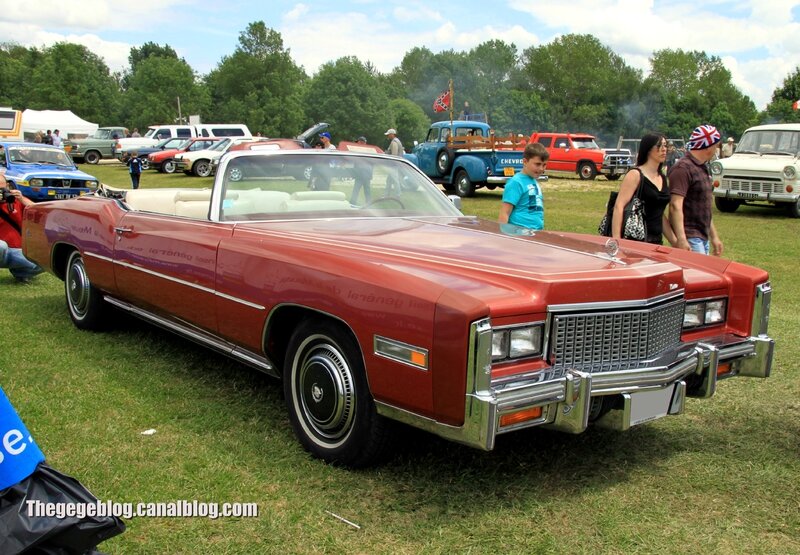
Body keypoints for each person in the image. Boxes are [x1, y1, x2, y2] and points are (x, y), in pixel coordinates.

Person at [611, 133, 677, 245]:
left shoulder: (662, 177)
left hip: (656, 242)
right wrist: (617, 240)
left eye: (665, 145)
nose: (664, 149)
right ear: (648, 149)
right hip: (635, 241)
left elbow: (658, 213)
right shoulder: (635, 174)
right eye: (659, 146)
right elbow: (619, 206)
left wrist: (675, 241)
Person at [668, 124, 723, 256]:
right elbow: (675, 205)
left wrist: (714, 236)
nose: (717, 150)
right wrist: (681, 238)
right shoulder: (683, 168)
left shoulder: (701, 167)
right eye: (716, 146)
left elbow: (704, 208)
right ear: (709, 146)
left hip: (702, 237)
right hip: (690, 236)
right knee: (697, 276)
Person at [0, 174, 44, 283]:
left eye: (2, 189)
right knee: (1, 246)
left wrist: (21, 198)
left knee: (42, 261)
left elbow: (40, 211)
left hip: (16, 251)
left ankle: (21, 273)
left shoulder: (14, 201)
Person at [498, 142, 549, 230]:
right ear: (525, 161)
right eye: (537, 164)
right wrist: (502, 237)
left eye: (544, 165)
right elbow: (505, 212)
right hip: (519, 233)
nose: (541, 169)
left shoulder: (533, 180)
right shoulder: (516, 182)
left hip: (535, 232)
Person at [350, 137, 372, 204]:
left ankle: (354, 203)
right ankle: (353, 203)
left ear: (361, 142)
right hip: (362, 174)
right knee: (361, 190)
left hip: (363, 174)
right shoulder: (366, 150)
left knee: (363, 190)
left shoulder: (366, 151)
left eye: (358, 142)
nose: (357, 143)